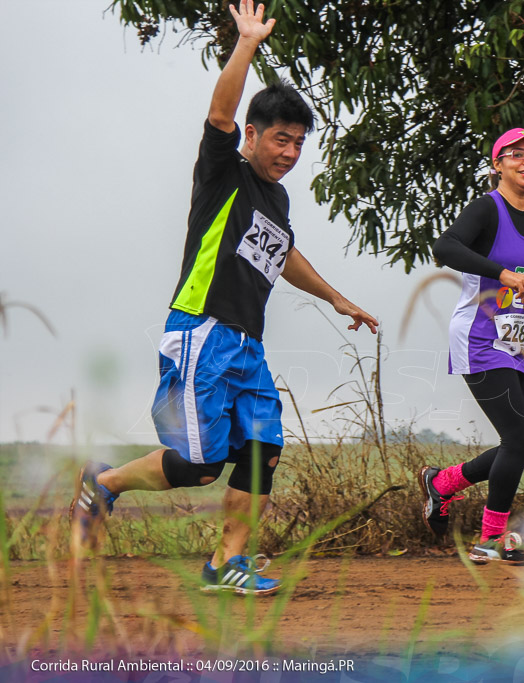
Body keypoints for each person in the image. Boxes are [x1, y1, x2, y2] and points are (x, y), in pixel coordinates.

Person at [69, 0, 378, 595]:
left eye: (299, 145)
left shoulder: (278, 203)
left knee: (264, 446)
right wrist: (247, 44)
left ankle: (226, 564)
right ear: (254, 136)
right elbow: (220, 111)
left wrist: (338, 299)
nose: (289, 153)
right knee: (201, 466)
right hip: (201, 332)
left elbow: (284, 256)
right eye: (280, 140)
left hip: (247, 346)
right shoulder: (222, 173)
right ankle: (104, 484)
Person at [420, 128, 524, 565]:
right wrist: (501, 275)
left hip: (519, 345)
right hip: (480, 339)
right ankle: (491, 539)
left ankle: (443, 483)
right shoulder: (487, 209)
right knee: (517, 439)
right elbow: (444, 247)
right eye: (517, 155)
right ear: (498, 164)